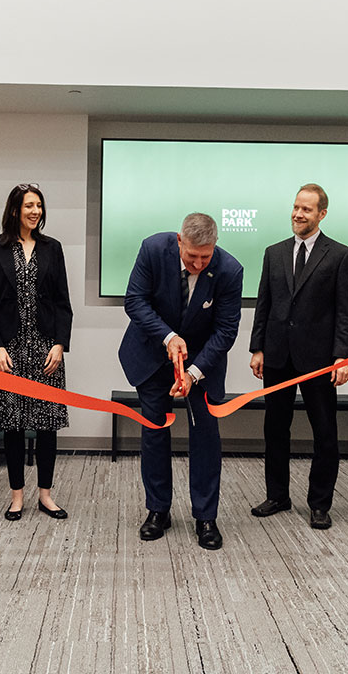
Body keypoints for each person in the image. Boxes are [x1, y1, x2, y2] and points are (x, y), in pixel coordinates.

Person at [118, 213, 243, 550]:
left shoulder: (230, 270)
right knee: (154, 431)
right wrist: (168, 337)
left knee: (206, 435)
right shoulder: (153, 249)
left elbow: (226, 330)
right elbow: (135, 301)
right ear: (179, 241)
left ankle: (206, 517)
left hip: (204, 362)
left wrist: (193, 372)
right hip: (152, 354)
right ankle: (158, 510)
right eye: (192, 256)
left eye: (206, 256)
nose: (199, 263)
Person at [248, 184, 348, 530]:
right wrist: (257, 348)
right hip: (277, 356)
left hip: (320, 360)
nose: (298, 214)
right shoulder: (273, 252)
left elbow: (345, 312)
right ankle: (277, 495)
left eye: (306, 209)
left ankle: (319, 503)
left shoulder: (340, 255)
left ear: (322, 214)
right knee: (275, 429)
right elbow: (263, 303)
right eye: (296, 207)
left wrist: (343, 357)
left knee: (325, 433)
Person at [0, 183, 73, 521]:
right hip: (10, 350)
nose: (35, 211)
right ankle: (17, 496)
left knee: (46, 425)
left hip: (46, 348)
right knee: (13, 424)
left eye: (39, 206)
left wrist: (60, 344)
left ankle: (45, 495)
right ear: (15, 209)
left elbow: (63, 303)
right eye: (29, 206)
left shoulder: (53, 248)